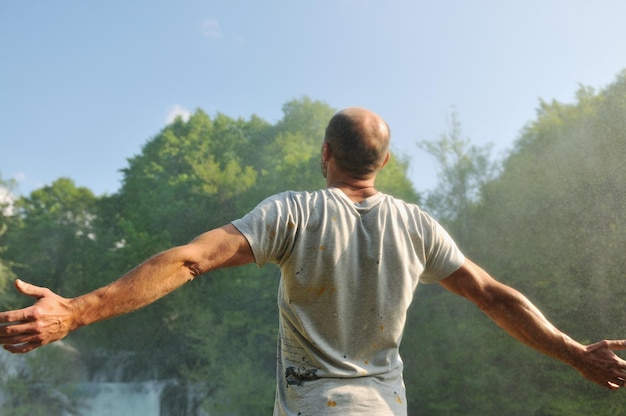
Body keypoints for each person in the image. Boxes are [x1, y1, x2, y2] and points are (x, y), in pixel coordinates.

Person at [1, 107, 625, 415]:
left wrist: (77, 313)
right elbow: (496, 296)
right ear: (383, 162)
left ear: (325, 154)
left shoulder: (293, 212)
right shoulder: (419, 227)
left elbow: (189, 260)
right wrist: (576, 353)